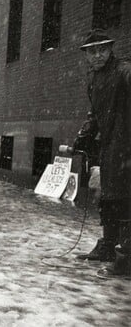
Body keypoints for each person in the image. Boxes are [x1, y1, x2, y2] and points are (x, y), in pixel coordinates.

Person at [72, 29, 131, 277]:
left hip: (127, 146)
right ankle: (108, 246)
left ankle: (126, 260)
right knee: (108, 198)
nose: (98, 55)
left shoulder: (124, 71)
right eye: (92, 51)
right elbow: (95, 113)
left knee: (126, 200)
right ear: (86, 55)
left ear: (111, 50)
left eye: (102, 50)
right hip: (109, 147)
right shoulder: (94, 79)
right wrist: (82, 137)